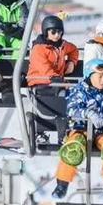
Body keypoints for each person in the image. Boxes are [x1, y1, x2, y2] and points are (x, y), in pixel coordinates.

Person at [53, 57, 103, 198]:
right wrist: (87, 113)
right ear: (90, 76)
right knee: (73, 149)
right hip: (81, 130)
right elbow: (71, 109)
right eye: (100, 76)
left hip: (102, 131)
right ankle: (62, 184)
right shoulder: (80, 90)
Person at [26, 14, 80, 142]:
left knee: (69, 95)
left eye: (60, 32)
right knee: (58, 96)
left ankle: (65, 131)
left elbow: (74, 50)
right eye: (53, 32)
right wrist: (61, 81)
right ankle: (41, 131)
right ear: (46, 32)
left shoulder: (62, 45)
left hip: (56, 82)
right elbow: (43, 69)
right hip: (40, 81)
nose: (57, 35)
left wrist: (72, 62)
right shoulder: (39, 48)